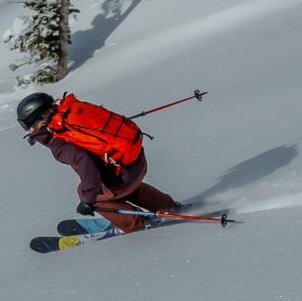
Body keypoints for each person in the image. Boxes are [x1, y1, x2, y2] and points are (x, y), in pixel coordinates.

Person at [15, 90, 181, 233]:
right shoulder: (72, 112)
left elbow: (85, 163)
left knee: (92, 193)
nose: (29, 131)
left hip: (124, 174)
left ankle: (137, 225)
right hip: (136, 161)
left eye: (28, 125)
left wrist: (88, 201)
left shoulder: (59, 142)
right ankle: (167, 206)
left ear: (39, 119)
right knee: (113, 185)